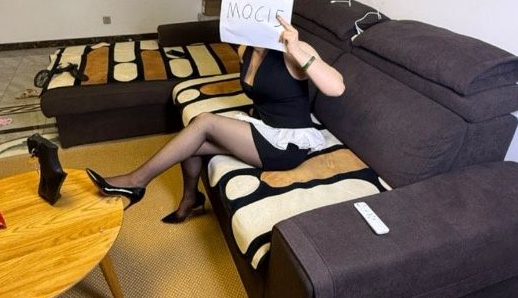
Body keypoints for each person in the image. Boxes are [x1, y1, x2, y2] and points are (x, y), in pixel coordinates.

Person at [86, 14, 345, 222]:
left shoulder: (293, 51)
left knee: (204, 122)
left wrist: (296, 48)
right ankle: (191, 199)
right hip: (262, 127)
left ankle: (136, 182)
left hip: (286, 144)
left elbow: (336, 87)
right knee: (192, 138)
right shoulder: (245, 49)